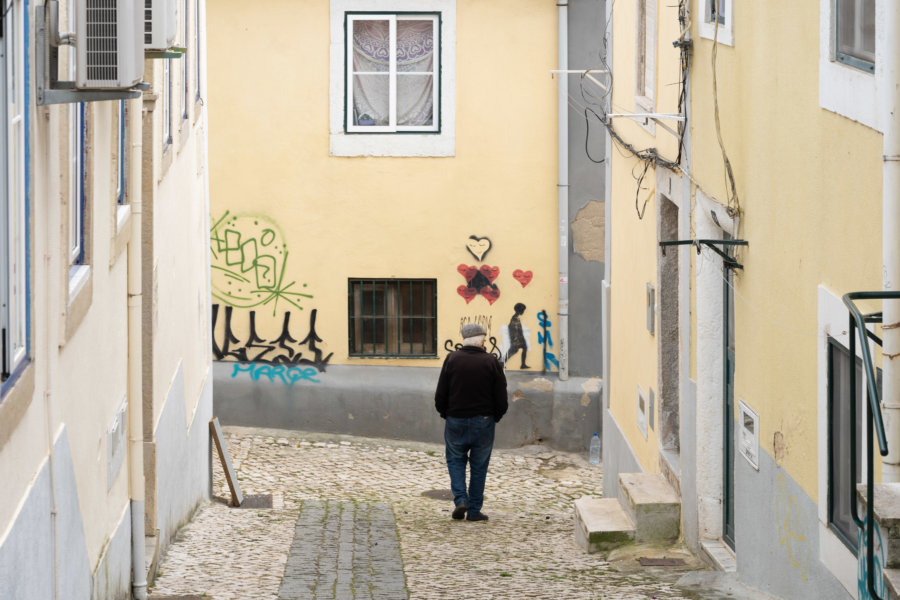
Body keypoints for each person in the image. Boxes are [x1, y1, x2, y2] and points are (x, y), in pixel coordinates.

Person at [434, 323, 508, 522]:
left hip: (455, 420)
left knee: (455, 460)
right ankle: (474, 510)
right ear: (482, 340)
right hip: (483, 421)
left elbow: (441, 393)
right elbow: (501, 396)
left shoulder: (452, 359)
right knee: (479, 466)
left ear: (464, 340)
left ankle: (460, 500)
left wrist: (445, 414)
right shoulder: (491, 362)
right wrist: (496, 416)